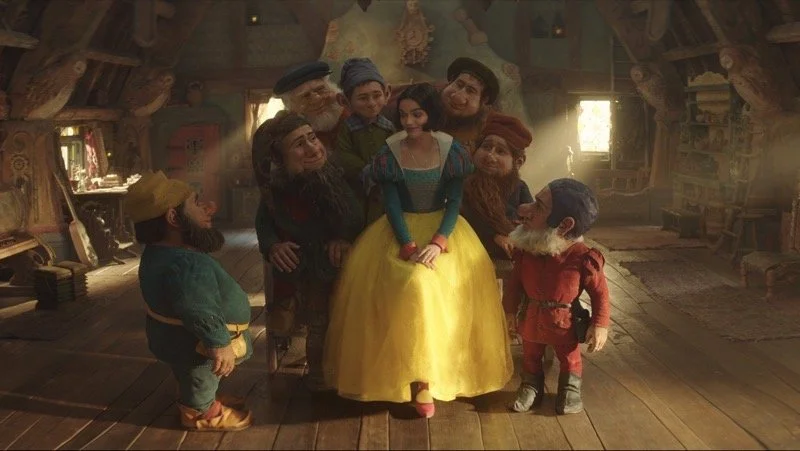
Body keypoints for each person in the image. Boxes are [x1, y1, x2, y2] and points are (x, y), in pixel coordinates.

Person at [324, 83, 513, 418]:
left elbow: (454, 202)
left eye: (417, 114)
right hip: (399, 231)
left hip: (445, 229)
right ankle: (408, 378)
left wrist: (439, 242)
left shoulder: (450, 150)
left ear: (431, 115)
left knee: (436, 285)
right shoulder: (391, 151)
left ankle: (432, 378)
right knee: (411, 285)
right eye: (403, 115)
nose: (409, 121)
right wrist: (408, 244)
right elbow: (392, 204)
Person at [124, 171, 252, 431]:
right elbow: (199, 309)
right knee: (200, 372)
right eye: (196, 202)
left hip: (174, 336)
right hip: (194, 343)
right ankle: (201, 411)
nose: (208, 208)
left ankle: (202, 396)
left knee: (193, 373)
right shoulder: (186, 264)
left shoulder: (159, 253)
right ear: (173, 218)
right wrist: (218, 343)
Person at [252, 110, 364, 390]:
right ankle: (319, 374)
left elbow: (355, 213)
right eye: (299, 145)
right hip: (310, 264)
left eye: (312, 138)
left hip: (344, 260)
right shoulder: (278, 190)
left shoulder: (337, 173)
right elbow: (264, 221)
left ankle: (354, 371)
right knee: (318, 320)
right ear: (280, 159)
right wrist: (272, 245)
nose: (313, 148)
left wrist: (344, 237)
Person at [503, 178, 611, 415]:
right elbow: (514, 286)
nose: (524, 210)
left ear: (564, 225)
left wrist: (600, 324)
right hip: (532, 316)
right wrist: (509, 312)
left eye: (538, 206)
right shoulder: (527, 251)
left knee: (569, 357)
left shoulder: (583, 257)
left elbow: (600, 292)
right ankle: (531, 385)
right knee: (530, 354)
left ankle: (570, 388)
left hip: (564, 322)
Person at [461, 112, 534, 271]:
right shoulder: (463, 185)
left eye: (500, 151)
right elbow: (463, 220)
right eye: (486, 147)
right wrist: (494, 236)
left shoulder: (519, 187)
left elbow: (533, 221)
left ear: (518, 162)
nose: (490, 156)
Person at [335, 57, 395, 224]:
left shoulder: (388, 127)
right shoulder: (348, 128)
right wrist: (365, 170)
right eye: (362, 98)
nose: (371, 103)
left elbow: (396, 150)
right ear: (346, 102)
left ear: (387, 94)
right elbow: (344, 154)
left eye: (377, 96)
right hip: (358, 187)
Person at [273, 61, 350, 151]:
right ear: (292, 107)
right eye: (305, 96)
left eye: (321, 89)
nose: (317, 99)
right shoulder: (289, 138)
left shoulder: (357, 112)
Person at [440, 57, 500, 154]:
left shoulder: (484, 135)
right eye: (459, 84)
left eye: (471, 91)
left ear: (483, 100)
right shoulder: (422, 103)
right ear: (450, 82)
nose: (457, 96)